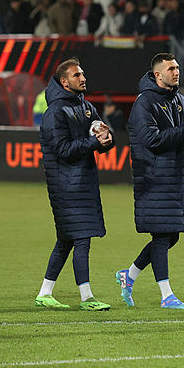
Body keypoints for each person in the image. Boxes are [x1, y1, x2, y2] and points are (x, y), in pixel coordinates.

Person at [115, 53, 184, 309]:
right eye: (170, 69)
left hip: (175, 178)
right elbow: (152, 140)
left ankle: (129, 275)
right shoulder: (145, 103)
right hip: (154, 178)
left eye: (177, 68)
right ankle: (166, 295)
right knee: (163, 237)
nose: (176, 72)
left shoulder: (178, 100)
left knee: (170, 236)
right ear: (157, 75)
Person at [35, 58, 114, 311]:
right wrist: (93, 143)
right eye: (77, 75)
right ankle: (86, 297)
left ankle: (45, 292)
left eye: (83, 73)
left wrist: (106, 138)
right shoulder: (55, 112)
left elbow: (99, 137)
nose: (83, 78)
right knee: (82, 238)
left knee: (66, 239)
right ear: (64, 81)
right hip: (65, 184)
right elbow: (62, 150)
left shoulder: (87, 107)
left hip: (82, 182)